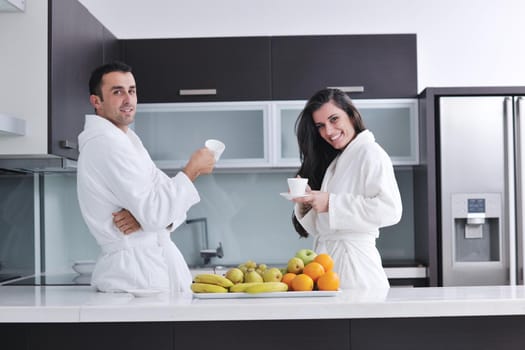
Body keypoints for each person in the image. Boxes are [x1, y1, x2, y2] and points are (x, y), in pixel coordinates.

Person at [77, 61, 215, 294]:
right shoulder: (107, 144)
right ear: (96, 101)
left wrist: (145, 219)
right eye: (117, 91)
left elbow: (164, 206)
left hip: (146, 272)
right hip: (135, 278)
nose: (128, 99)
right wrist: (192, 170)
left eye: (131, 91)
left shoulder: (128, 142)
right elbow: (158, 211)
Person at [291, 88, 402, 290]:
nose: (329, 131)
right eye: (321, 126)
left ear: (351, 115)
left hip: (356, 268)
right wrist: (309, 203)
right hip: (328, 265)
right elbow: (322, 228)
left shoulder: (370, 153)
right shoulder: (338, 160)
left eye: (334, 119)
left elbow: (391, 209)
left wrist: (331, 203)